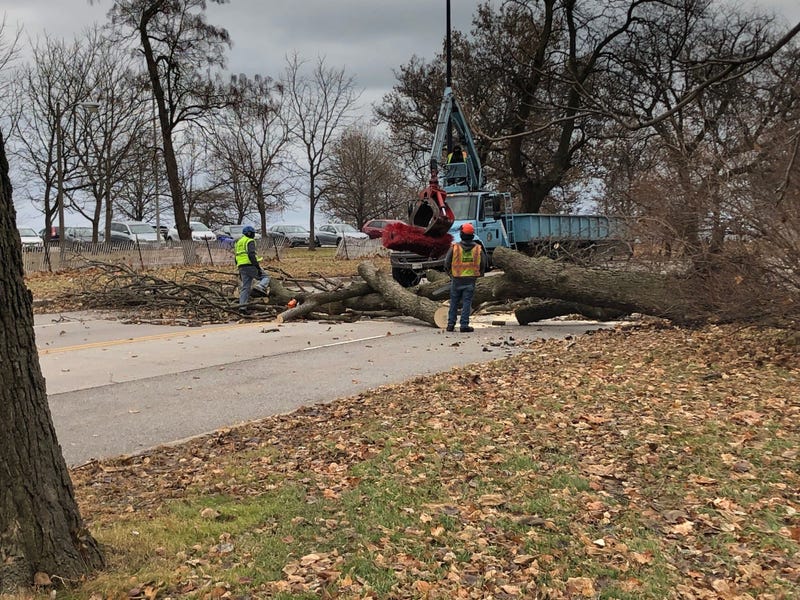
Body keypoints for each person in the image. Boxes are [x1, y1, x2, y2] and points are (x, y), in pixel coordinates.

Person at [443, 222, 487, 332]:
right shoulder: (478, 249)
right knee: (467, 302)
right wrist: (479, 274)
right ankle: (464, 325)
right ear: (472, 236)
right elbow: (483, 264)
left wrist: (450, 274)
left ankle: (450, 324)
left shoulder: (455, 247)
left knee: (454, 301)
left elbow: (446, 263)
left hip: (457, 278)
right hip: (471, 279)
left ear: (461, 234)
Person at [234, 225, 270, 315]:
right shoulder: (250, 241)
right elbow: (251, 255)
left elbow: (236, 257)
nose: (254, 235)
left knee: (245, 288)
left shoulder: (239, 242)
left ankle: (242, 307)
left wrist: (239, 268)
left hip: (241, 266)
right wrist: (257, 267)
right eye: (253, 233)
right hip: (250, 264)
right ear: (250, 233)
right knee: (265, 276)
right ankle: (260, 287)